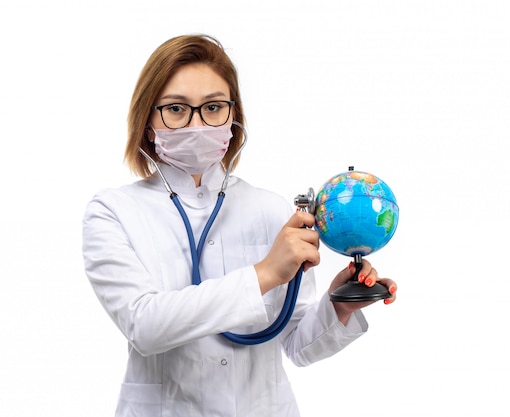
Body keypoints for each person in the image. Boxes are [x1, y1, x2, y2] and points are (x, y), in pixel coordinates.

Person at [82, 34, 397, 417]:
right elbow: (145, 326)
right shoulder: (114, 211)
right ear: (148, 121)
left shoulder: (269, 209)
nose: (197, 123)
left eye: (213, 107)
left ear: (233, 117)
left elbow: (297, 344)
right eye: (177, 109)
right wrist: (265, 273)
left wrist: (338, 305)